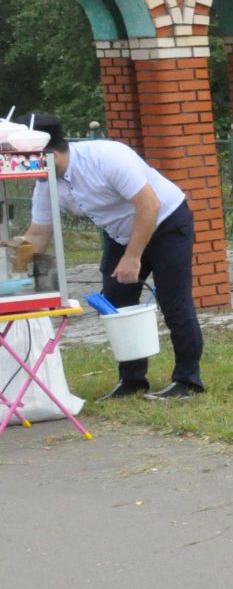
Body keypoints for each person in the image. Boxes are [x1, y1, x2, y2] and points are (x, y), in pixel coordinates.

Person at [13, 114, 204, 399]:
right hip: (122, 233)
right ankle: (132, 381)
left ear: (48, 154)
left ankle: (188, 382)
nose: (25, 169)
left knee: (174, 302)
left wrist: (133, 257)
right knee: (115, 302)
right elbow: (38, 235)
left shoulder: (107, 157)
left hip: (166, 222)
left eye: (27, 159)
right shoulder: (46, 183)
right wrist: (12, 271)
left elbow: (149, 205)